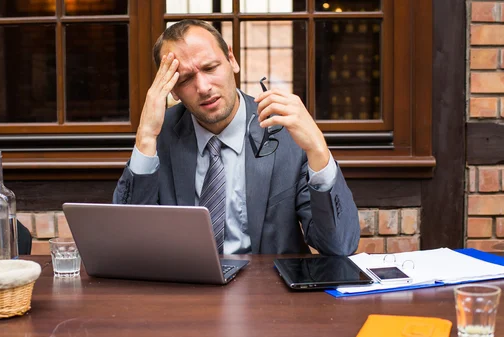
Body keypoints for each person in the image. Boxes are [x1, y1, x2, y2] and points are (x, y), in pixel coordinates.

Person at [113, 19, 359, 255]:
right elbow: (127, 243)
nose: (204, 87)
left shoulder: (285, 129)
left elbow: (340, 246)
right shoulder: (159, 135)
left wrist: (318, 150)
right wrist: (145, 138)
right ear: (173, 89)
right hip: (186, 290)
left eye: (210, 68)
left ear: (231, 59)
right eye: (186, 79)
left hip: (270, 292)